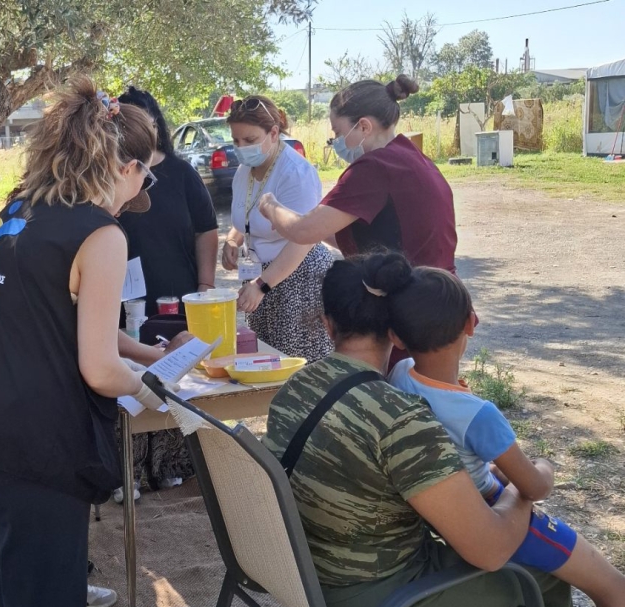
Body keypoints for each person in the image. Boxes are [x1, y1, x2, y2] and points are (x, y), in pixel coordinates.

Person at [0, 77, 163, 607]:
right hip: (32, 442)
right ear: (124, 166)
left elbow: (47, 312)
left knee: (20, 589)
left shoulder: (23, 211)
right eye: (146, 175)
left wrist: (144, 353)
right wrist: (155, 390)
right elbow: (100, 370)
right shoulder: (103, 235)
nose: (140, 192)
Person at [263, 252, 581, 607]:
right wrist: (520, 492)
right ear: (396, 331)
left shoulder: (296, 386)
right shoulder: (399, 419)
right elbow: (491, 549)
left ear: (327, 324)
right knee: (544, 574)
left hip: (308, 584)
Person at [387, 266, 625, 607]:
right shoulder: (477, 414)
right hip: (497, 516)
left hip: (447, 510)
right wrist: (546, 465)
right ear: (471, 323)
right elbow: (533, 487)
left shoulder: (399, 374)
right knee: (615, 591)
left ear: (396, 335)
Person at [114, 85, 217, 497]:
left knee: (176, 376)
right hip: (124, 299)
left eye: (149, 122)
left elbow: (206, 230)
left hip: (177, 296)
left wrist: (205, 288)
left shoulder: (181, 173)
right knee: (128, 376)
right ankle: (129, 471)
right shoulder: (112, 179)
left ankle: (171, 468)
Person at [257, 74, 457, 274]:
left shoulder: (373, 168)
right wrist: (300, 222)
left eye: (338, 133)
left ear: (363, 126)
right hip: (440, 293)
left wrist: (269, 205)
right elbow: (366, 237)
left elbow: (303, 231)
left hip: (413, 296)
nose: (336, 141)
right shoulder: (410, 156)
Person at [219, 94, 333, 363]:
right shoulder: (244, 170)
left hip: (297, 279)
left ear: (273, 133)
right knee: (264, 362)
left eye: (249, 140)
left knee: (296, 366)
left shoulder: (296, 173)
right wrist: (232, 241)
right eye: (235, 140)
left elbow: (303, 240)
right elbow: (245, 216)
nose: (241, 147)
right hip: (262, 280)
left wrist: (262, 285)